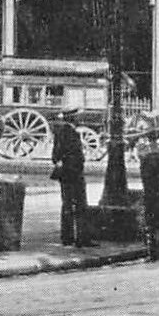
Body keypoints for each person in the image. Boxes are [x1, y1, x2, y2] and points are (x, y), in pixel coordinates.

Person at [50, 104, 94, 246]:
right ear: (72, 117)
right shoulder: (69, 132)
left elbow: (55, 155)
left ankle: (68, 237)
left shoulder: (62, 131)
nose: (79, 118)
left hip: (67, 173)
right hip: (73, 172)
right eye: (77, 116)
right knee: (80, 205)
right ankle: (82, 238)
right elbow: (65, 153)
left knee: (67, 204)